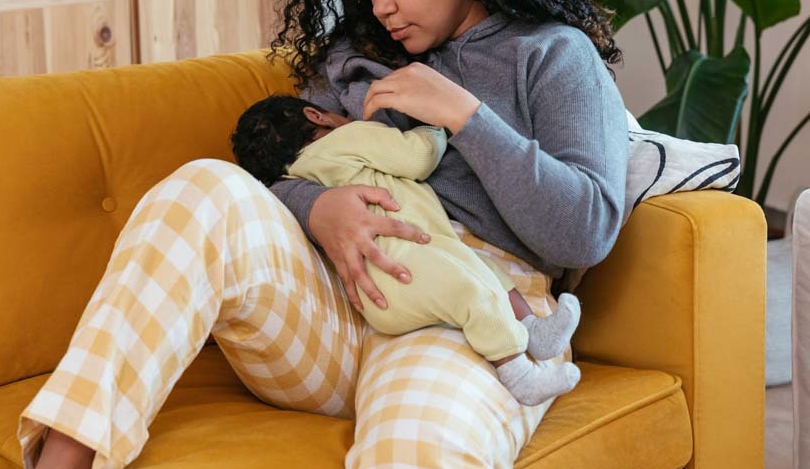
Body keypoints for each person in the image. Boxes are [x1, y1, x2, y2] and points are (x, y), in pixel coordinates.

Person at [0, 0, 628, 469]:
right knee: (204, 188)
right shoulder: (359, 52)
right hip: (329, 308)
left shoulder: (552, 55)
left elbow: (584, 231)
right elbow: (287, 168)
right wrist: (314, 209)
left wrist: (466, 116)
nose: (381, 4)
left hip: (467, 316)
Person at [231, 94, 584, 406]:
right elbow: (415, 158)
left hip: (384, 288)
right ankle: (519, 375)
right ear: (316, 115)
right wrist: (434, 127)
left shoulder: (295, 180)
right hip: (405, 266)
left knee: (482, 273)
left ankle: (534, 332)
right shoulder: (348, 138)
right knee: (473, 290)